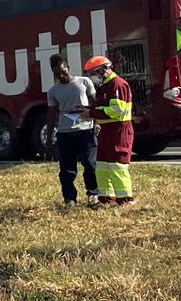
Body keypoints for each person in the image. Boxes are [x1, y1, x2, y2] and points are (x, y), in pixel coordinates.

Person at [47, 54, 98, 206]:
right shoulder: (53, 91)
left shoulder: (84, 82)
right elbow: (51, 114)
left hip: (86, 130)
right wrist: (49, 137)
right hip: (65, 133)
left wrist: (97, 123)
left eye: (63, 71)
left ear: (68, 68)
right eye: (57, 74)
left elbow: (96, 105)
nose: (61, 76)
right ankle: (70, 198)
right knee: (67, 169)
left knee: (90, 164)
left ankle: (93, 194)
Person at [86, 55, 135, 205]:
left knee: (117, 165)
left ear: (104, 69)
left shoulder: (118, 85)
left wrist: (91, 113)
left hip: (119, 131)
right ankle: (106, 198)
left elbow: (117, 110)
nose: (93, 77)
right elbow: (102, 107)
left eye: (94, 73)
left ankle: (125, 199)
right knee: (102, 165)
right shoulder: (105, 86)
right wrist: (88, 111)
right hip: (106, 131)